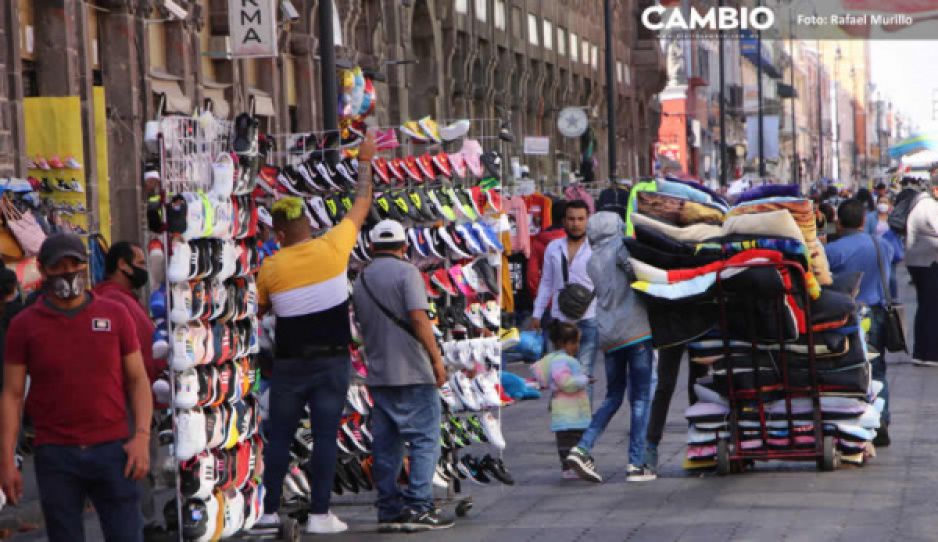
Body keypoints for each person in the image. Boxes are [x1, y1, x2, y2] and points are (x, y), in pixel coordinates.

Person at [253, 133, 375, 535]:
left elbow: (262, 309)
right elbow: (362, 202)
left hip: (290, 366)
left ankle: (270, 512)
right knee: (325, 437)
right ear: (308, 226)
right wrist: (363, 161)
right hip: (332, 362)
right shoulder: (335, 245)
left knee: (280, 440)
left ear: (279, 234)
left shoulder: (270, 268)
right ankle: (321, 515)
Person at [0, 233, 152, 541]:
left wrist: (142, 437)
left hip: (114, 451)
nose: (68, 273)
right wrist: (6, 459)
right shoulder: (25, 325)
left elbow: (137, 379)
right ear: (42, 271)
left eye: (75, 264)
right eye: (59, 266)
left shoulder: (115, 314)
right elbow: (13, 394)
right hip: (56, 456)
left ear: (86, 265)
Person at [350, 219, 451, 533]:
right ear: (404, 246)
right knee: (424, 439)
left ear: (372, 246)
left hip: (379, 374)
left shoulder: (362, 278)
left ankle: (389, 509)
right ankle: (420, 506)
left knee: (387, 444)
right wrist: (436, 361)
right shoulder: (408, 272)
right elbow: (419, 319)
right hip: (412, 370)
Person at [565, 212, 656, 484]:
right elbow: (639, 276)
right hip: (636, 331)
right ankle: (636, 463)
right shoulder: (622, 250)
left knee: (613, 396)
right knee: (640, 399)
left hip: (609, 335)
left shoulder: (592, 259)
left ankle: (582, 447)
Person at [825, 199, 893, 446]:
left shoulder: (832, 251)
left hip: (846, 316)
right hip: (876, 314)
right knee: (878, 368)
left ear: (838, 222)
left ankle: (854, 420)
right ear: (864, 221)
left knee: (848, 368)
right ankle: (881, 419)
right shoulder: (882, 246)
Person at [531, 200, 598, 399]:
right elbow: (546, 282)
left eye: (580, 219)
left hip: (589, 318)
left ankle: (584, 425)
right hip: (560, 320)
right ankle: (564, 424)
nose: (575, 223)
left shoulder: (595, 248)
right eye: (571, 219)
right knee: (559, 375)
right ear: (564, 221)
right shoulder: (553, 248)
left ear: (588, 221)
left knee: (584, 374)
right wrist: (537, 313)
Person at [530, 322, 591, 479]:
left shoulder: (554, 359)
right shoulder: (564, 361)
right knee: (574, 440)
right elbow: (565, 382)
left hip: (562, 411)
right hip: (571, 410)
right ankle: (571, 467)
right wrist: (583, 380)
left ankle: (568, 467)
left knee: (565, 441)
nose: (577, 346)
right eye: (575, 342)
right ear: (564, 343)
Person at [905, 173, 938, 368]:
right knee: (931, 308)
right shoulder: (929, 206)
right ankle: (928, 353)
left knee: (927, 306)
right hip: (928, 263)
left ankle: (923, 351)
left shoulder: (921, 204)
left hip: (920, 262)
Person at [865, 195, 904, 299]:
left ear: (889, 204)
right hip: (875, 250)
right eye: (880, 202)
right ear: (877, 204)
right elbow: (866, 233)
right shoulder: (870, 217)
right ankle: (881, 299)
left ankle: (893, 300)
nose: (882, 204)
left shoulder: (893, 217)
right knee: (877, 276)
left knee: (891, 277)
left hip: (891, 251)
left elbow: (899, 234)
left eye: (885, 202)